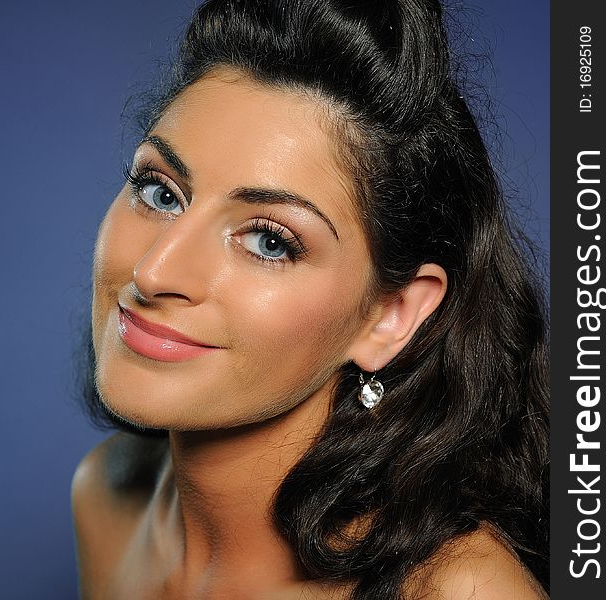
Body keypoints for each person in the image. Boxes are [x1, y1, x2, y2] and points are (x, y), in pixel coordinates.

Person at [71, 0, 549, 598]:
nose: (153, 270)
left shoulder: (458, 591)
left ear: (390, 316)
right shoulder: (107, 498)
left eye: (270, 240)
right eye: (160, 192)